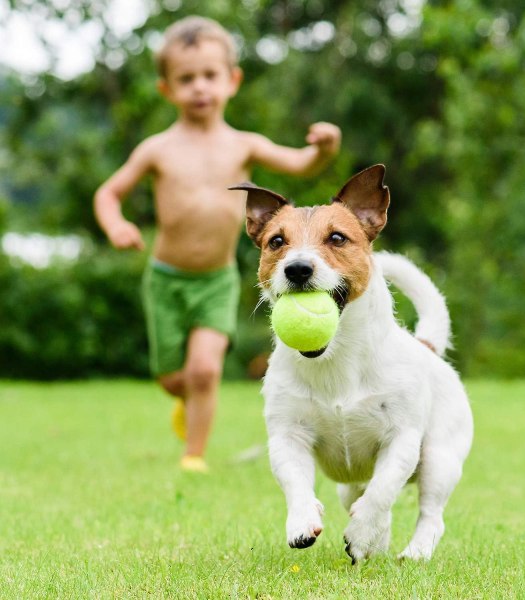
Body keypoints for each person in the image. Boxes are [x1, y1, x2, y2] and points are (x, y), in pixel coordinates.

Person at [93, 16, 341, 473]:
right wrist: (116, 226)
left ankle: (194, 456)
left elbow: (301, 164)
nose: (199, 87)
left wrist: (325, 148)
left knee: (205, 370)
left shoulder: (243, 145)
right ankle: (181, 399)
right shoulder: (157, 149)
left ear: (232, 81)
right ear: (167, 89)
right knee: (174, 378)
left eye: (209, 76)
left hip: (217, 280)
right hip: (165, 279)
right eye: (186, 79)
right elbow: (108, 193)